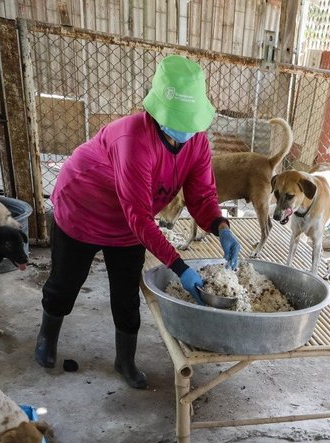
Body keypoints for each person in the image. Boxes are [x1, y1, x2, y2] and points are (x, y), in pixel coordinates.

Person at [34, 55, 242, 388]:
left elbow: (202, 196)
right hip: (82, 207)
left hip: (128, 222)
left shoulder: (198, 142)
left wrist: (222, 227)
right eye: (180, 120)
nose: (187, 129)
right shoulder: (133, 140)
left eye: (192, 121)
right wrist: (179, 266)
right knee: (66, 282)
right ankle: (47, 337)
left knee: (127, 292)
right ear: (159, 112)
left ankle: (124, 360)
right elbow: (141, 218)